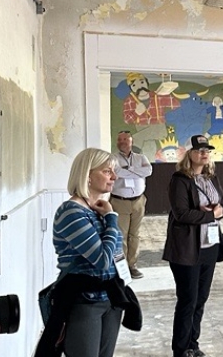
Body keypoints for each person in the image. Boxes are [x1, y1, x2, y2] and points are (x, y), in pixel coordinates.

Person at [36, 148, 137, 357]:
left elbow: (117, 250)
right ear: (88, 175)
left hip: (110, 297)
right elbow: (102, 259)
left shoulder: (98, 209)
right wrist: (111, 218)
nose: (114, 177)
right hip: (85, 300)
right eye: (107, 171)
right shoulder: (71, 211)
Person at [163, 135, 223, 357]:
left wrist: (218, 212)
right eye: (199, 150)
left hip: (209, 246)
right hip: (186, 249)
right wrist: (211, 215)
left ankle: (193, 344)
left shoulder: (211, 178)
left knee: (200, 299)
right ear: (189, 154)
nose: (204, 153)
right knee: (188, 300)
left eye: (207, 150)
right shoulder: (179, 180)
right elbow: (181, 214)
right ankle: (180, 350)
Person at [110, 130, 153, 279]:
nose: (122, 142)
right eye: (119, 139)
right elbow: (117, 173)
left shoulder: (141, 157)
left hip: (138, 201)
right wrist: (136, 172)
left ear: (131, 142)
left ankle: (132, 265)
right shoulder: (113, 158)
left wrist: (130, 169)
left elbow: (148, 171)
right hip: (119, 201)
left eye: (125, 139)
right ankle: (121, 267)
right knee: (121, 235)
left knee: (135, 235)